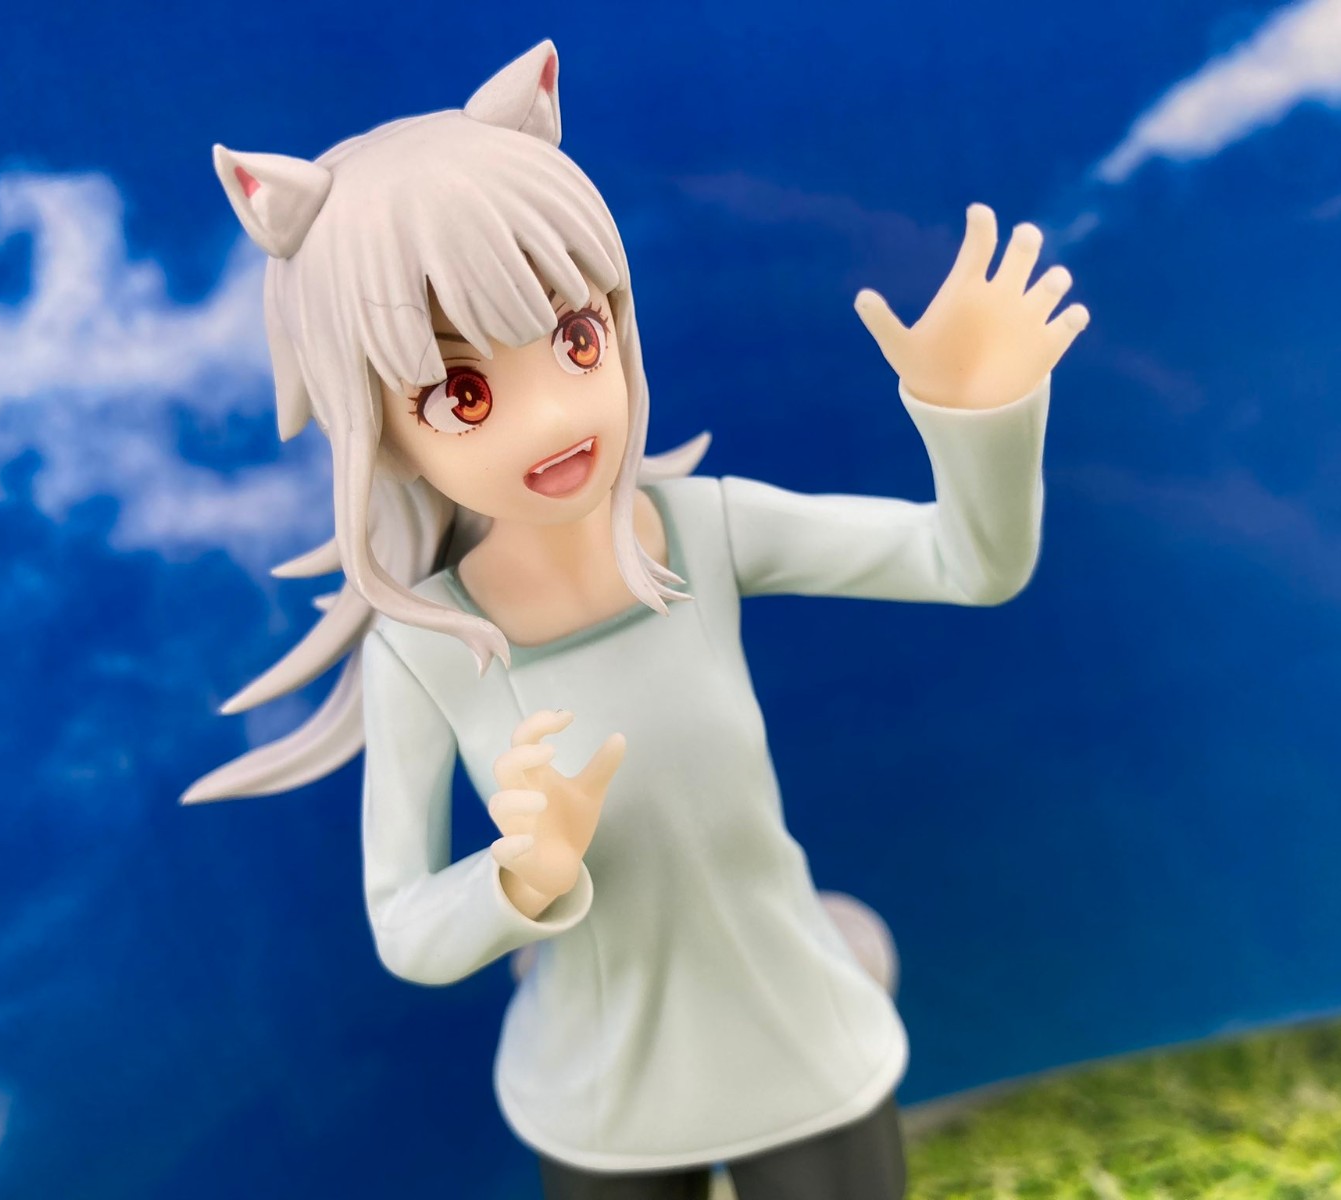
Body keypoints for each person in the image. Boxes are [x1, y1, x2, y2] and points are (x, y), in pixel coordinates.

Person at [183, 39, 1087, 1200]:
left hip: (798, 1045)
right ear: (383, 431)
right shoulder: (425, 647)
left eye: (576, 340)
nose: (553, 418)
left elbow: (970, 563)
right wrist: (521, 874)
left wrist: (978, 416)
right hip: (600, 1093)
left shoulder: (704, 531)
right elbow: (403, 926)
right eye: (461, 394)